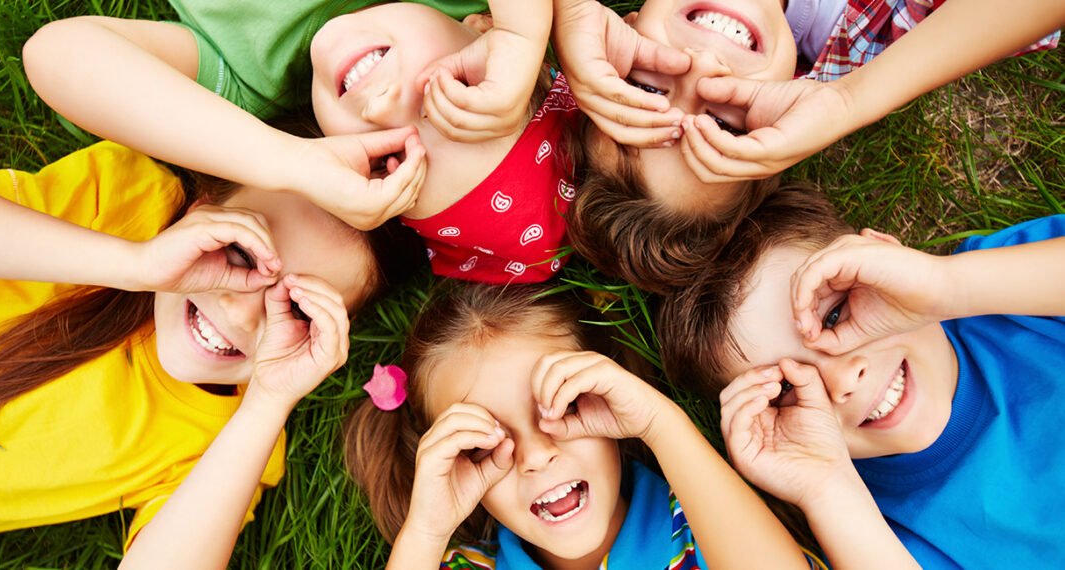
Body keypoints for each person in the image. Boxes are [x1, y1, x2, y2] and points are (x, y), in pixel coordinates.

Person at [0, 140, 422, 548]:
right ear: (201, 211)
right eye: (241, 254)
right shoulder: (122, 199)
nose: (241, 310)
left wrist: (269, 402)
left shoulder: (229, 442)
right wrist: (133, 264)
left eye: (295, 308)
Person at [24, 0, 581, 284]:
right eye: (455, 90)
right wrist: (523, 32)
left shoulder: (248, 87)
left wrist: (288, 161)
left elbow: (59, 54)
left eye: (388, 157)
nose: (384, 105)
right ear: (481, 26)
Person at [658, 184, 1065, 567]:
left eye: (835, 315)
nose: (842, 381)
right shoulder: (871, 534)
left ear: (884, 260)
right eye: (788, 389)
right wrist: (826, 490)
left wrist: (943, 284)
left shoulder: (1004, 292)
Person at [551, 0, 1062, 291]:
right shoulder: (891, 33)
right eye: (724, 123)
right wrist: (847, 100)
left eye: (644, 90)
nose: (702, 67)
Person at [343, 284, 827, 568]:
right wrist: (426, 531)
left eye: (562, 407)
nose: (535, 457)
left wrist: (660, 422)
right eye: (485, 444)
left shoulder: (704, 518)